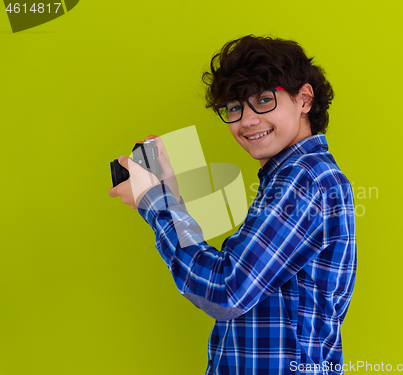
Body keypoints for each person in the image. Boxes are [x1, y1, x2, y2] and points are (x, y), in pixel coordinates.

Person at [109, 35, 357, 375]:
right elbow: (243, 280)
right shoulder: (290, 176)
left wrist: (154, 202)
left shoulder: (304, 179)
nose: (248, 120)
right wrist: (170, 195)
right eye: (235, 107)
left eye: (264, 100)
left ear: (304, 99)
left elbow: (226, 291)